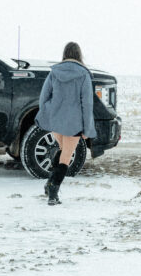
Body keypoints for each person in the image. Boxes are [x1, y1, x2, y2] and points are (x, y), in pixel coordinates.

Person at [35, 41, 97, 206]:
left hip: (56, 120)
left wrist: (49, 112)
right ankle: (53, 191)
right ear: (79, 55)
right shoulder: (83, 74)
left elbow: (43, 98)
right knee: (66, 158)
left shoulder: (54, 72)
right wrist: (87, 127)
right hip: (74, 123)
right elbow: (87, 104)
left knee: (63, 152)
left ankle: (50, 184)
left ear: (65, 54)